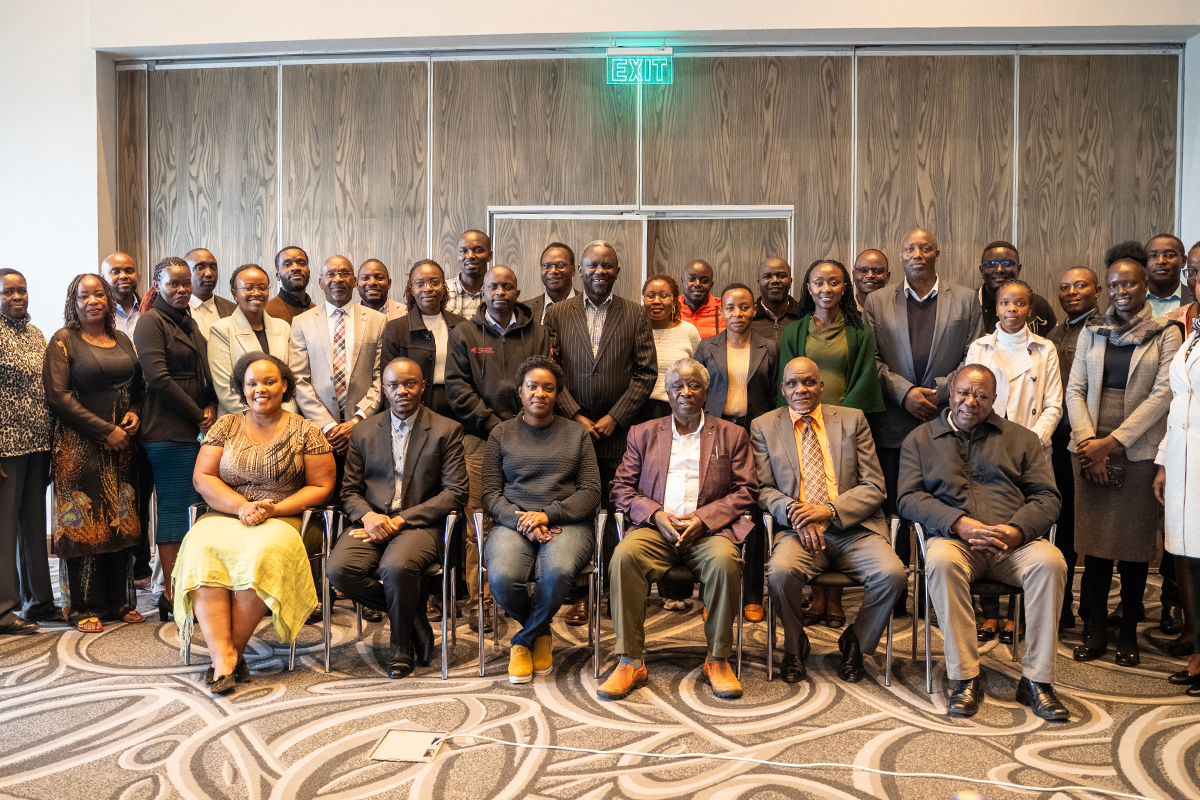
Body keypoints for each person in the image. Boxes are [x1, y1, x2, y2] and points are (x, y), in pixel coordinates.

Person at [898, 365, 1068, 721]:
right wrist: (957, 523)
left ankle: (1037, 681)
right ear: (951, 392)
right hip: (955, 541)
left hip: (1013, 545)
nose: (970, 402)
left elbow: (1048, 498)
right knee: (940, 561)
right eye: (963, 393)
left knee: (1051, 562)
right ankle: (965, 677)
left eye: (981, 396)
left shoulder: (1022, 439)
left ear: (994, 400)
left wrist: (1017, 530)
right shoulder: (920, 439)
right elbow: (908, 498)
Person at [173, 353, 336, 696]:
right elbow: (203, 477)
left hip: (287, 516)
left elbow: (322, 486)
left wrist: (271, 510)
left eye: (269, 381)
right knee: (202, 547)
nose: (260, 389)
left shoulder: (306, 430)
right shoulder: (225, 426)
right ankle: (227, 657)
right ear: (241, 389)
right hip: (229, 511)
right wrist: (243, 506)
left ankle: (226, 657)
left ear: (285, 386)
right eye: (251, 383)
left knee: (260, 552)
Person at [600, 358, 757, 701]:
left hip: (710, 532)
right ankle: (630, 660)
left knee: (725, 563)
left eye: (694, 386)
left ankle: (717, 660)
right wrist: (655, 515)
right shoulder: (643, 433)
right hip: (656, 530)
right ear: (668, 395)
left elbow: (746, 490)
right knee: (623, 556)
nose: (686, 392)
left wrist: (704, 519)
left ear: (706, 392)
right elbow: (621, 489)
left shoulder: (732, 435)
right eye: (677, 387)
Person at [1066, 241, 1182, 668]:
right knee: (1093, 550)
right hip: (1088, 450)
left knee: (1133, 552)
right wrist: (1089, 444)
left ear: (1145, 284)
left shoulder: (1167, 333)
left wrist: (1111, 444)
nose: (1120, 291)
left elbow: (1163, 394)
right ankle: (1095, 631)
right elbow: (1074, 390)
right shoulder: (1091, 331)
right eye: (1113, 284)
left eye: (1129, 283)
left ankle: (1128, 632)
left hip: (1137, 453)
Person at [754, 357, 906, 683]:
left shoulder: (852, 420)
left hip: (854, 529)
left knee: (893, 574)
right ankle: (795, 646)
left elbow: (875, 486)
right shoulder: (764, 426)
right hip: (798, 532)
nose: (801, 389)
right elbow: (763, 489)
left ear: (821, 386)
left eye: (809, 382)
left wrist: (830, 510)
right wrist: (797, 513)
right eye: (793, 383)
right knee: (779, 573)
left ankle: (856, 642)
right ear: (783, 389)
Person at [862, 228, 984, 616]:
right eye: (910, 248)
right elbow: (872, 361)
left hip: (945, 422)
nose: (917, 253)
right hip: (894, 424)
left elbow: (973, 356)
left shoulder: (966, 299)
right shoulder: (877, 301)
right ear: (900, 256)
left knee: (941, 507)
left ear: (937, 253)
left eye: (925, 247)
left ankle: (935, 596)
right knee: (895, 508)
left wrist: (941, 391)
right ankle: (895, 593)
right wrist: (904, 393)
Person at [327, 357, 468, 678]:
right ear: (385, 390)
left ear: (422, 386)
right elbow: (349, 491)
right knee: (338, 570)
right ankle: (413, 615)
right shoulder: (363, 432)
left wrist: (402, 521)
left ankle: (400, 644)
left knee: (396, 567)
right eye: (393, 385)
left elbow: (455, 493)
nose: (402, 391)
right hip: (371, 521)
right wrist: (368, 517)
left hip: (420, 524)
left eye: (409, 383)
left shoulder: (447, 430)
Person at [545, 240, 656, 624]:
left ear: (617, 271)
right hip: (570, 434)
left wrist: (616, 416)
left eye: (607, 266)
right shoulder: (557, 313)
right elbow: (549, 372)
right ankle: (579, 594)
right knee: (578, 513)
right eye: (592, 265)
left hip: (618, 435)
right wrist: (574, 414)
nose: (599, 272)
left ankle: (612, 591)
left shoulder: (635, 314)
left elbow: (646, 373)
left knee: (617, 512)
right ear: (581, 271)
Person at [776, 259, 886, 629]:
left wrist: (839, 422)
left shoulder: (859, 331)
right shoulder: (795, 330)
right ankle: (815, 596)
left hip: (843, 429)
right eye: (818, 282)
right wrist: (805, 416)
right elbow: (789, 381)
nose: (826, 288)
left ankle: (833, 601)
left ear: (845, 288)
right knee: (808, 494)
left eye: (834, 282)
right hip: (802, 423)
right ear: (808, 288)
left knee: (838, 500)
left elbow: (865, 379)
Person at [446, 265, 554, 631]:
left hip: (532, 435)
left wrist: (518, 425)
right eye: (493, 286)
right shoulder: (464, 333)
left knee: (531, 510)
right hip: (479, 437)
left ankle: (521, 592)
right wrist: (496, 427)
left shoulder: (537, 332)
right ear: (484, 292)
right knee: (480, 518)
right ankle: (482, 600)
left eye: (508, 286)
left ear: (517, 291)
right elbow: (457, 389)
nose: (500, 292)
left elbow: (543, 379)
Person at [483, 356, 600, 682]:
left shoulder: (577, 434)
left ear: (556, 394)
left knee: (558, 572)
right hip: (514, 523)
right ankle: (540, 631)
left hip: (568, 522)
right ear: (520, 392)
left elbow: (591, 493)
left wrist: (547, 515)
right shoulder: (501, 434)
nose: (540, 394)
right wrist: (523, 520)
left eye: (548, 389)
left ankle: (522, 641)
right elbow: (491, 495)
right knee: (503, 576)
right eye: (532, 387)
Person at [44, 273, 144, 631]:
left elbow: (138, 386)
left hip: (121, 449)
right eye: (84, 295)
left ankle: (118, 601)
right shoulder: (63, 341)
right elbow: (58, 397)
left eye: (99, 294)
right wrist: (105, 431)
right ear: (74, 301)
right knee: (84, 525)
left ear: (108, 298)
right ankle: (83, 605)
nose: (93, 301)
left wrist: (134, 413)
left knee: (119, 520)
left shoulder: (121, 339)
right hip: (78, 448)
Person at [966, 278, 1063, 643]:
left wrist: (1030, 442)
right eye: (1005, 303)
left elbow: (1054, 403)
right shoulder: (980, 346)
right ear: (996, 307)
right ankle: (990, 615)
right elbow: (971, 396)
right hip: (984, 443)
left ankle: (1016, 615)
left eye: (1019, 304)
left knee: (1024, 523)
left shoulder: (1045, 348)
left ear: (1030, 309)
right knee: (988, 518)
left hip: (1032, 448)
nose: (1011, 310)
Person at [134, 257, 218, 623]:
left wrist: (212, 402)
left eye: (186, 283)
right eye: (174, 284)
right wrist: (198, 413)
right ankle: (170, 595)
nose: (182, 289)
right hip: (167, 429)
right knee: (173, 510)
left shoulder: (188, 320)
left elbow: (204, 371)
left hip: (191, 429)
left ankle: (184, 588)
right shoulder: (151, 322)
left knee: (190, 509)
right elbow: (158, 379)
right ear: (158, 285)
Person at [696, 283, 779, 622]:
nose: (737, 314)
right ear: (722, 311)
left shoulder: (769, 347)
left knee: (755, 510)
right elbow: (697, 391)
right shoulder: (706, 346)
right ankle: (711, 596)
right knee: (713, 508)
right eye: (730, 307)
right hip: (716, 433)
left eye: (744, 307)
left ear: (754, 310)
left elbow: (775, 396)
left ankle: (752, 595)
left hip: (755, 433)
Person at [290, 255, 385, 490]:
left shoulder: (379, 321)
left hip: (365, 428)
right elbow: (298, 380)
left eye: (344, 274)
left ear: (354, 281)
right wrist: (329, 426)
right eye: (331, 274)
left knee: (364, 492)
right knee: (324, 492)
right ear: (321, 282)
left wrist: (357, 420)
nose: (337, 279)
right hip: (320, 431)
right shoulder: (302, 322)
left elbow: (381, 378)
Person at [0, 268, 56, 635]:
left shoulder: (36, 334)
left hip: (39, 443)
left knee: (35, 525)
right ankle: (4, 611)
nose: (17, 297)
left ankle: (39, 601)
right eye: (8, 293)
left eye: (22, 291)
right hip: (6, 447)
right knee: (4, 529)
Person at [1045, 266, 1101, 632]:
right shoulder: (1055, 332)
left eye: (1080, 285)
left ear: (1098, 290)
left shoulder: (1102, 330)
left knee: (1094, 530)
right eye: (1064, 287)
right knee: (1062, 526)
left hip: (1092, 441)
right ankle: (1062, 608)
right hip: (1057, 444)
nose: (1071, 292)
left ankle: (1093, 614)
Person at [1153, 315, 1200, 697]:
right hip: (1184, 463)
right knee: (1187, 556)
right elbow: (1178, 404)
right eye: (1197, 273)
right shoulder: (1191, 337)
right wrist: (1164, 462)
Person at [381, 260, 466, 422]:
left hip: (457, 410)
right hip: (413, 410)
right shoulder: (396, 329)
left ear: (444, 286)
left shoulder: (462, 325)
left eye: (434, 282)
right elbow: (386, 380)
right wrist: (394, 421)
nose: (428, 288)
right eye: (420, 283)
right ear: (411, 289)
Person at [208, 264, 296, 417]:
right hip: (241, 422)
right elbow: (226, 390)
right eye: (248, 288)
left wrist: (284, 419)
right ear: (234, 293)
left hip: (284, 421)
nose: (256, 293)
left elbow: (290, 382)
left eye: (262, 287)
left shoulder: (283, 327)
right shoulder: (221, 330)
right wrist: (260, 420)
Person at [642, 273, 701, 421]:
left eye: (664, 295)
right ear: (643, 299)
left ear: (674, 300)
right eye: (650, 295)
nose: (656, 301)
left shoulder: (688, 331)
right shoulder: (634, 332)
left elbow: (700, 375)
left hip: (679, 411)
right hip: (639, 412)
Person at [975, 241, 1057, 336]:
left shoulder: (1039, 305)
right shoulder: (968, 305)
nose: (999, 269)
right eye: (991, 264)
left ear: (1018, 269)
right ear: (982, 271)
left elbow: (1055, 343)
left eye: (1007, 263)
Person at [185, 248, 236, 339]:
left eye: (213, 267)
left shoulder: (233, 310)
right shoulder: (176, 310)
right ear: (185, 273)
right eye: (200, 267)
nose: (209, 273)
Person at [751, 258, 803, 344]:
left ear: (790, 282)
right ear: (759, 283)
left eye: (782, 276)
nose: (775, 280)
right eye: (767, 276)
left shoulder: (804, 317)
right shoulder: (747, 319)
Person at [525, 242, 576, 325]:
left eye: (560, 264)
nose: (553, 271)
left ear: (573, 270)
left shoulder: (587, 305)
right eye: (546, 265)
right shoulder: (525, 310)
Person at [264, 246, 317, 325]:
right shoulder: (265, 313)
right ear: (278, 275)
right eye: (287, 264)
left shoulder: (318, 312)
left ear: (309, 273)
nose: (296, 268)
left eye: (301, 263)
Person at [447, 230, 491, 319]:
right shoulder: (443, 291)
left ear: (490, 256)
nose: (470, 255)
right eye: (463, 251)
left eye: (478, 250)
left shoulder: (500, 292)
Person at [1145, 233, 1192, 317]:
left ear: (1183, 261)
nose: (1160, 261)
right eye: (1153, 255)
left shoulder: (1196, 298)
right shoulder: (1131, 299)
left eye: (1169, 255)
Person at [678, 260, 725, 338]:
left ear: (711, 285)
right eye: (691, 279)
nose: (697, 284)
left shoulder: (725, 308)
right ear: (683, 281)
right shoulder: (669, 308)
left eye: (704, 281)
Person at [103, 252, 141, 337]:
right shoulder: (97, 314)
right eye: (115, 272)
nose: (123, 276)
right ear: (103, 278)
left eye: (129, 271)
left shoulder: (148, 309)